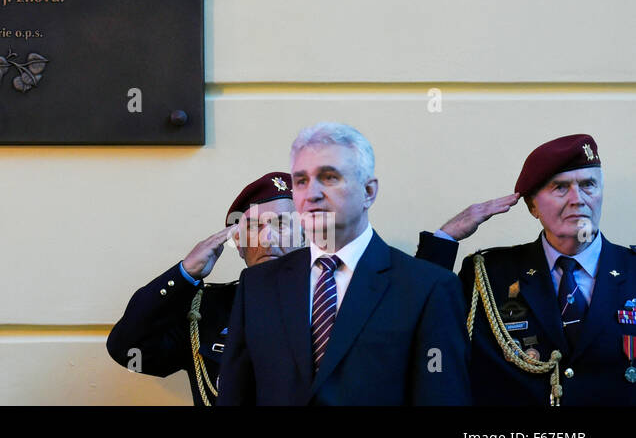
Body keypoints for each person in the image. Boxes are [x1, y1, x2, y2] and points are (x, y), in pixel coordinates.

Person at [218, 123, 471, 405]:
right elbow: (235, 395)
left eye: (328, 178)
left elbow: (442, 396)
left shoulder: (428, 287)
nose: (311, 193)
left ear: (368, 191)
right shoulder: (258, 285)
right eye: (301, 181)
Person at [425, 134, 635, 405]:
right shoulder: (488, 276)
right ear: (532, 206)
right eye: (560, 187)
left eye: (588, 185)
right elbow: (423, 325)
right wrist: (445, 239)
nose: (577, 199)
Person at [106, 172, 298, 405]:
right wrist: (185, 273)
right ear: (238, 244)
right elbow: (127, 349)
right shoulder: (206, 312)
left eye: (283, 224)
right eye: (255, 227)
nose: (268, 238)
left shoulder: (334, 304)